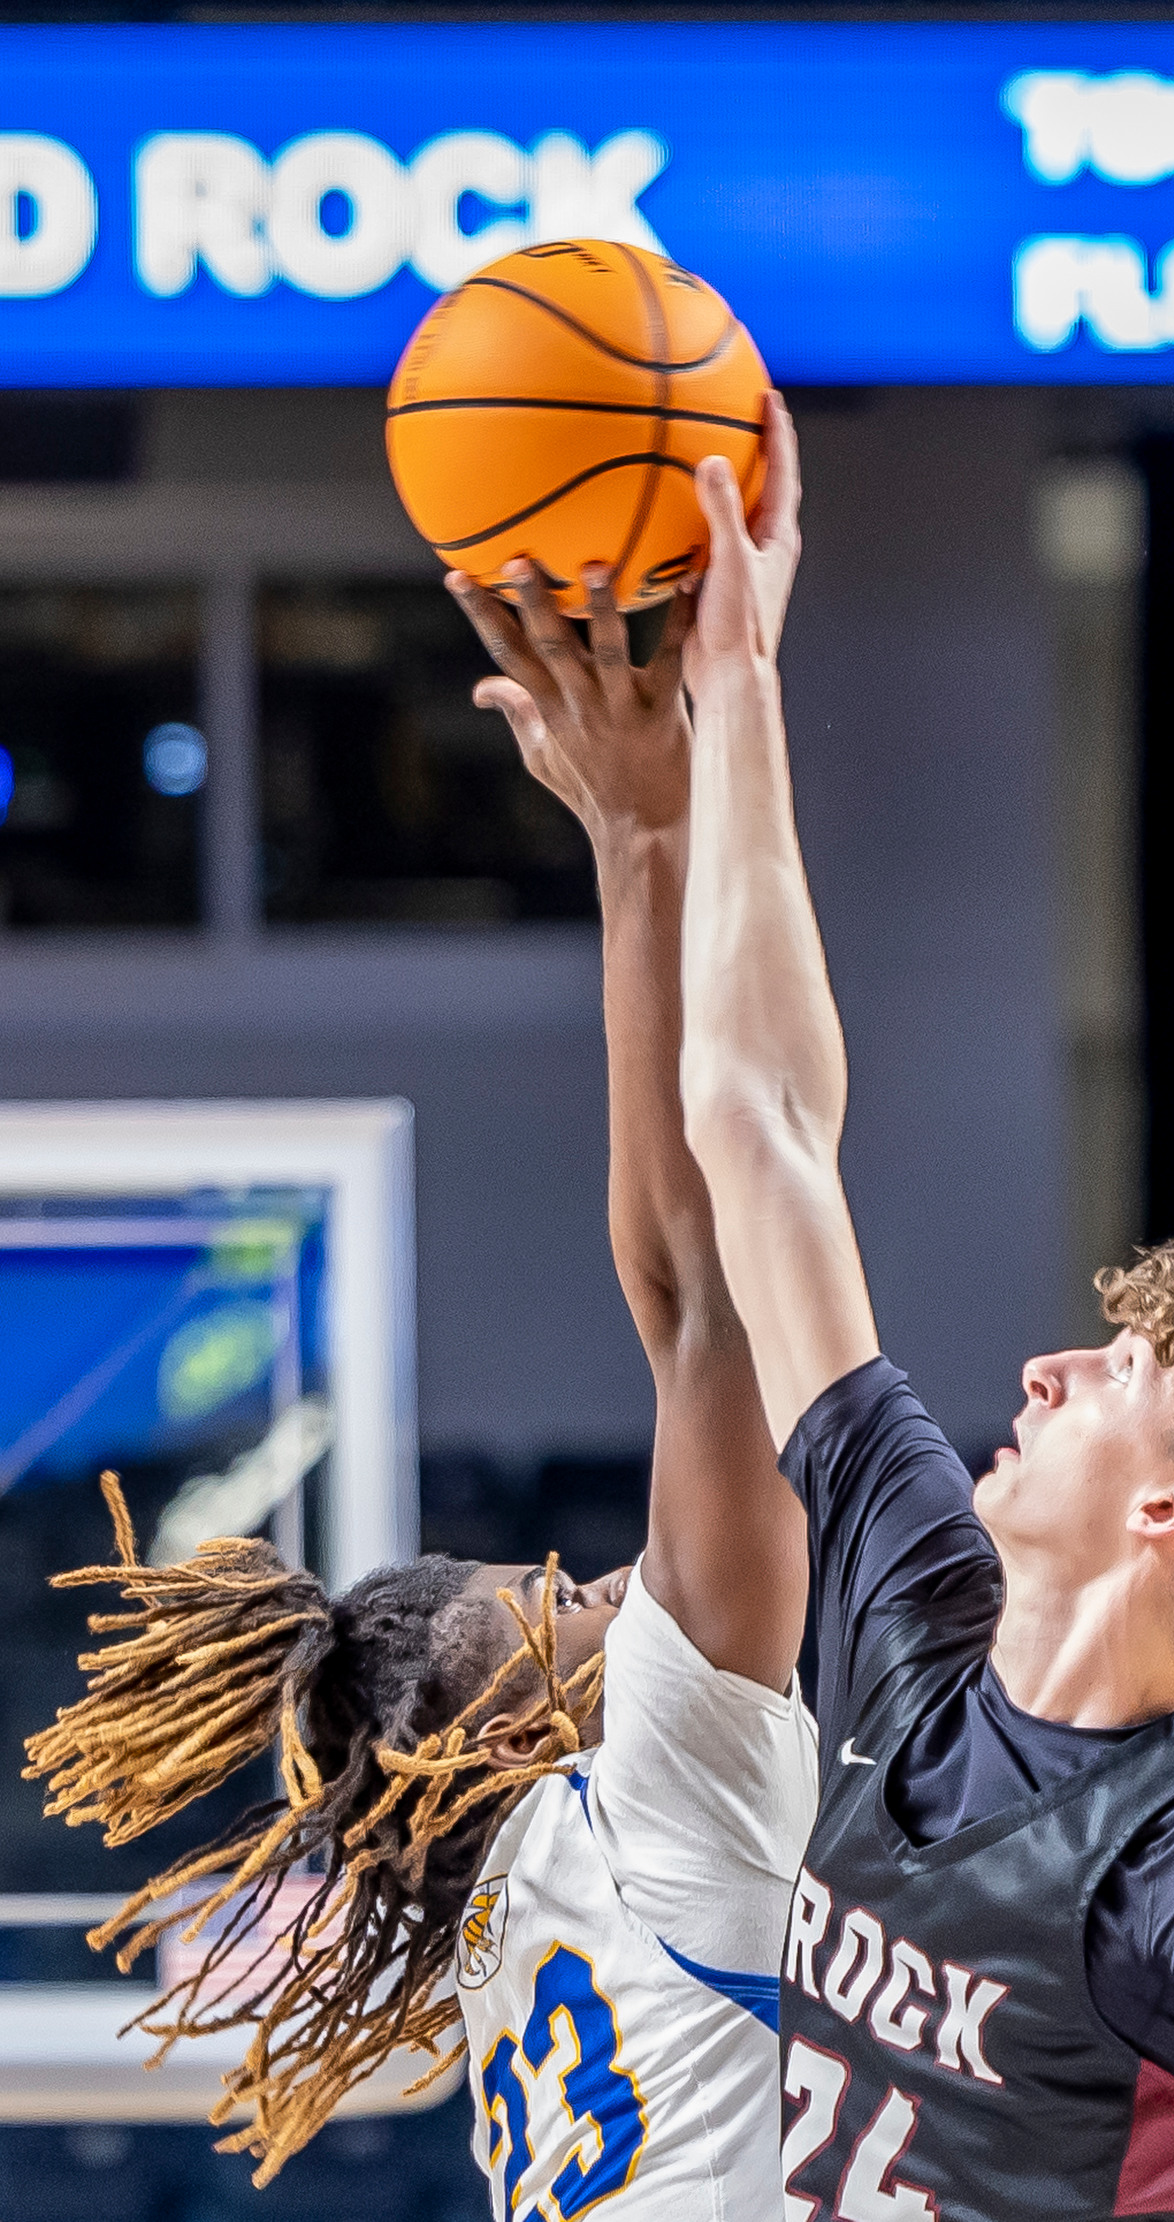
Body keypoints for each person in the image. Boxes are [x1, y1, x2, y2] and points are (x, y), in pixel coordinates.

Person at [675, 395, 1174, 2222]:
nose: (1042, 1364)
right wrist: (741, 687)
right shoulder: (917, 1593)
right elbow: (759, 1123)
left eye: (1112, 1373)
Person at [25, 539, 816, 2216]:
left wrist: (635, 846)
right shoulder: (651, 1798)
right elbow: (700, 1300)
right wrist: (649, 830)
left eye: (557, 1586)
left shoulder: (513, 1919)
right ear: (501, 1743)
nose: (604, 1575)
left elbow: (688, 1306)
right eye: (557, 1597)